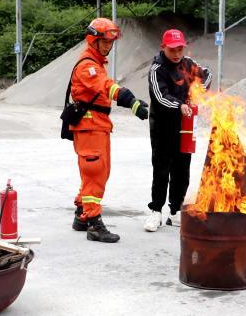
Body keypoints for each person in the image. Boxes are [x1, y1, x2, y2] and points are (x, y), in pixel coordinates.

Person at [70, 17, 149, 243]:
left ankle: (82, 214)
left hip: (96, 125)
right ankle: (94, 223)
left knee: (95, 172)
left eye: (110, 42)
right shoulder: (87, 66)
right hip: (90, 127)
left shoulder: (95, 63)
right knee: (95, 173)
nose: (108, 46)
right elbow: (106, 87)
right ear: (93, 40)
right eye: (104, 41)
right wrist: (130, 100)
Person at [143, 29, 212, 232]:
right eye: (172, 49)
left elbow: (207, 74)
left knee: (182, 170)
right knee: (161, 169)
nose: (176, 54)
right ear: (163, 47)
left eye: (180, 49)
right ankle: (156, 211)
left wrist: (198, 90)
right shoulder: (157, 69)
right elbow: (160, 96)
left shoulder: (188, 64)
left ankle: (175, 211)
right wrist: (179, 105)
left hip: (186, 126)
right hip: (163, 126)